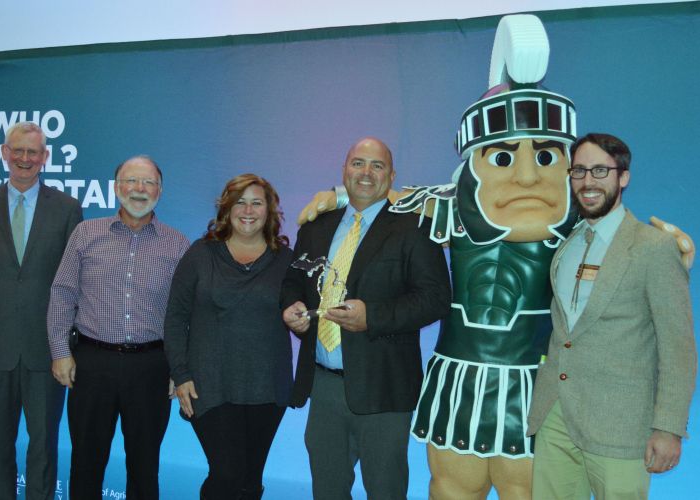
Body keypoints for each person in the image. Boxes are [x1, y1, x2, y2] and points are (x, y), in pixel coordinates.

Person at [294, 15, 695, 500]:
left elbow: (625, 253)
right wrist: (337, 196)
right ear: (472, 163)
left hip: (539, 386)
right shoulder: (448, 206)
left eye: (546, 157)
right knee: (452, 488)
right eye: (504, 157)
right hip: (458, 378)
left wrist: (666, 254)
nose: (526, 175)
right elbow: (383, 194)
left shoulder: (580, 218)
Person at [527, 133, 696, 499]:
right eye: (579, 171)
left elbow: (677, 347)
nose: (588, 182)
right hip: (555, 416)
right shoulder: (567, 244)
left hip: (620, 424)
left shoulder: (653, 248)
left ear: (623, 177)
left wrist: (668, 428)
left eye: (600, 170)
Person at [281, 137, 452, 499]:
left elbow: (435, 299)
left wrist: (372, 316)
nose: (366, 173)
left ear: (391, 176)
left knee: (385, 491)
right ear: (344, 170)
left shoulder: (415, 227)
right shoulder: (316, 226)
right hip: (324, 386)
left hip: (385, 388)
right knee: (327, 491)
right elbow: (293, 281)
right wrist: (291, 306)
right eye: (358, 163)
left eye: (377, 166)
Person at [0, 121, 83, 500]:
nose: (25, 159)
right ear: (5, 154)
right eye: (18, 150)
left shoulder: (68, 209)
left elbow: (75, 284)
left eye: (33, 152)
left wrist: (70, 347)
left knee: (43, 448)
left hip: (48, 350)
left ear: (45, 158)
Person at [47, 155, 190, 500]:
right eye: (131, 181)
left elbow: (186, 314)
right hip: (92, 363)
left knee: (144, 465)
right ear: (116, 188)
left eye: (148, 183)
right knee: (85, 461)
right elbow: (63, 293)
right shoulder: (86, 234)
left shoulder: (179, 245)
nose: (139, 190)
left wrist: (179, 367)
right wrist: (60, 352)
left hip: (152, 367)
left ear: (160, 190)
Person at [163, 173, 293, 500]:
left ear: (270, 211)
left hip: (267, 387)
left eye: (256, 202)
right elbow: (176, 317)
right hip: (210, 385)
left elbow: (301, 313)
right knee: (227, 474)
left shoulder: (286, 261)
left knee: (250, 480)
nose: (247, 210)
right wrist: (180, 374)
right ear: (227, 209)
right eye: (240, 202)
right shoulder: (201, 254)